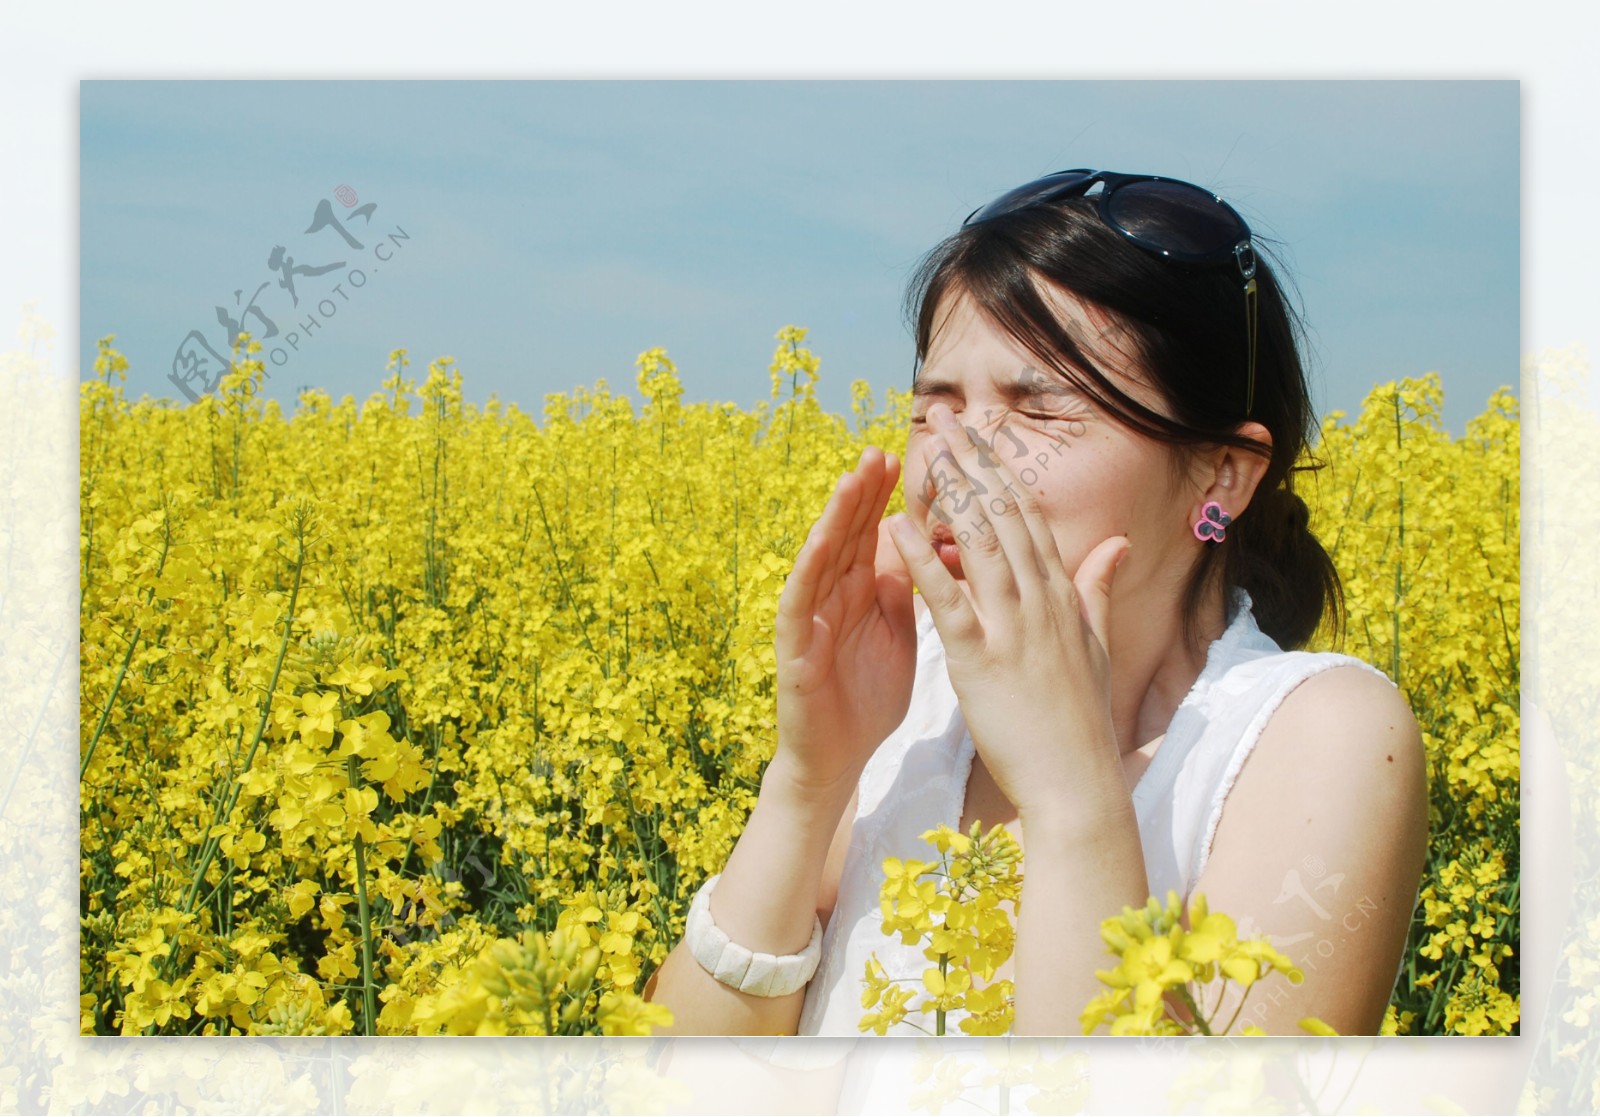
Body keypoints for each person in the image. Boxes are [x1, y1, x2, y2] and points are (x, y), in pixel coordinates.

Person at [645, 169, 1428, 1038]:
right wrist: (808, 780)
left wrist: (1070, 795)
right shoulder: (918, 705)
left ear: (1221, 476)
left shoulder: (1321, 735)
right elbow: (669, 1078)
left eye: (1038, 408)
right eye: (933, 408)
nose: (955, 460)